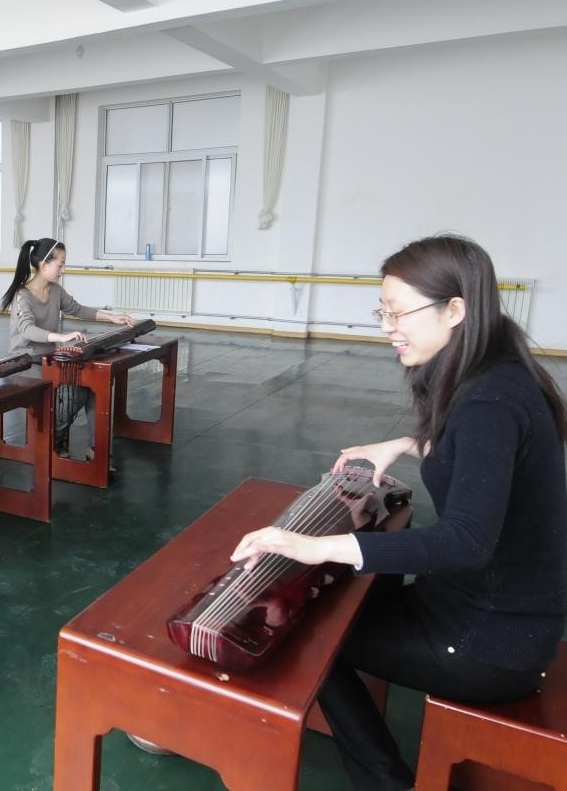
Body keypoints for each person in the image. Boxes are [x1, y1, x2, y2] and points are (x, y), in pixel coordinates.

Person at [230, 235, 566, 790]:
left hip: (489, 642)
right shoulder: (496, 373)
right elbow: (480, 459)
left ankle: (385, 781)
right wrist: (408, 444)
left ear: (454, 310)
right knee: (339, 603)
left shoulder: (491, 400)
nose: (388, 327)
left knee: (306, 635)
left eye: (397, 313)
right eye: (382, 312)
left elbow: (465, 542)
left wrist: (315, 547)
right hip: (482, 609)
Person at [0, 237, 134, 456]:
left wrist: (112, 317)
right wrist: (61, 338)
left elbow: (77, 309)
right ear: (44, 264)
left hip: (50, 359)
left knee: (93, 385)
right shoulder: (22, 296)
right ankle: (51, 440)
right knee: (74, 393)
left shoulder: (55, 290)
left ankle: (97, 450)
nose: (62, 270)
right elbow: (27, 330)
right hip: (25, 362)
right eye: (60, 264)